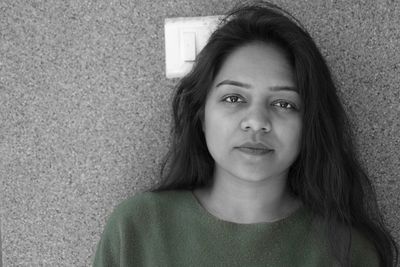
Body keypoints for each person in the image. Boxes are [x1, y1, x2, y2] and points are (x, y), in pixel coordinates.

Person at [93, 1, 398, 266]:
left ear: (309, 125)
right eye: (234, 98)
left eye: (283, 103)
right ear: (201, 115)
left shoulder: (348, 252)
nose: (256, 121)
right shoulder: (136, 229)